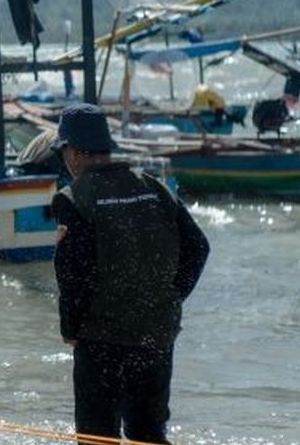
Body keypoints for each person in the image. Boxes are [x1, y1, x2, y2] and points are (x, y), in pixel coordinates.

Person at [50, 103, 210, 444]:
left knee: (97, 438)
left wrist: (70, 328)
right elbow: (198, 247)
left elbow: (73, 271)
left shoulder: (74, 198)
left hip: (102, 340)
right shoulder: (155, 187)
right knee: (148, 435)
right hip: (156, 335)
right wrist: (168, 297)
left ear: (74, 153)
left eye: (63, 152)